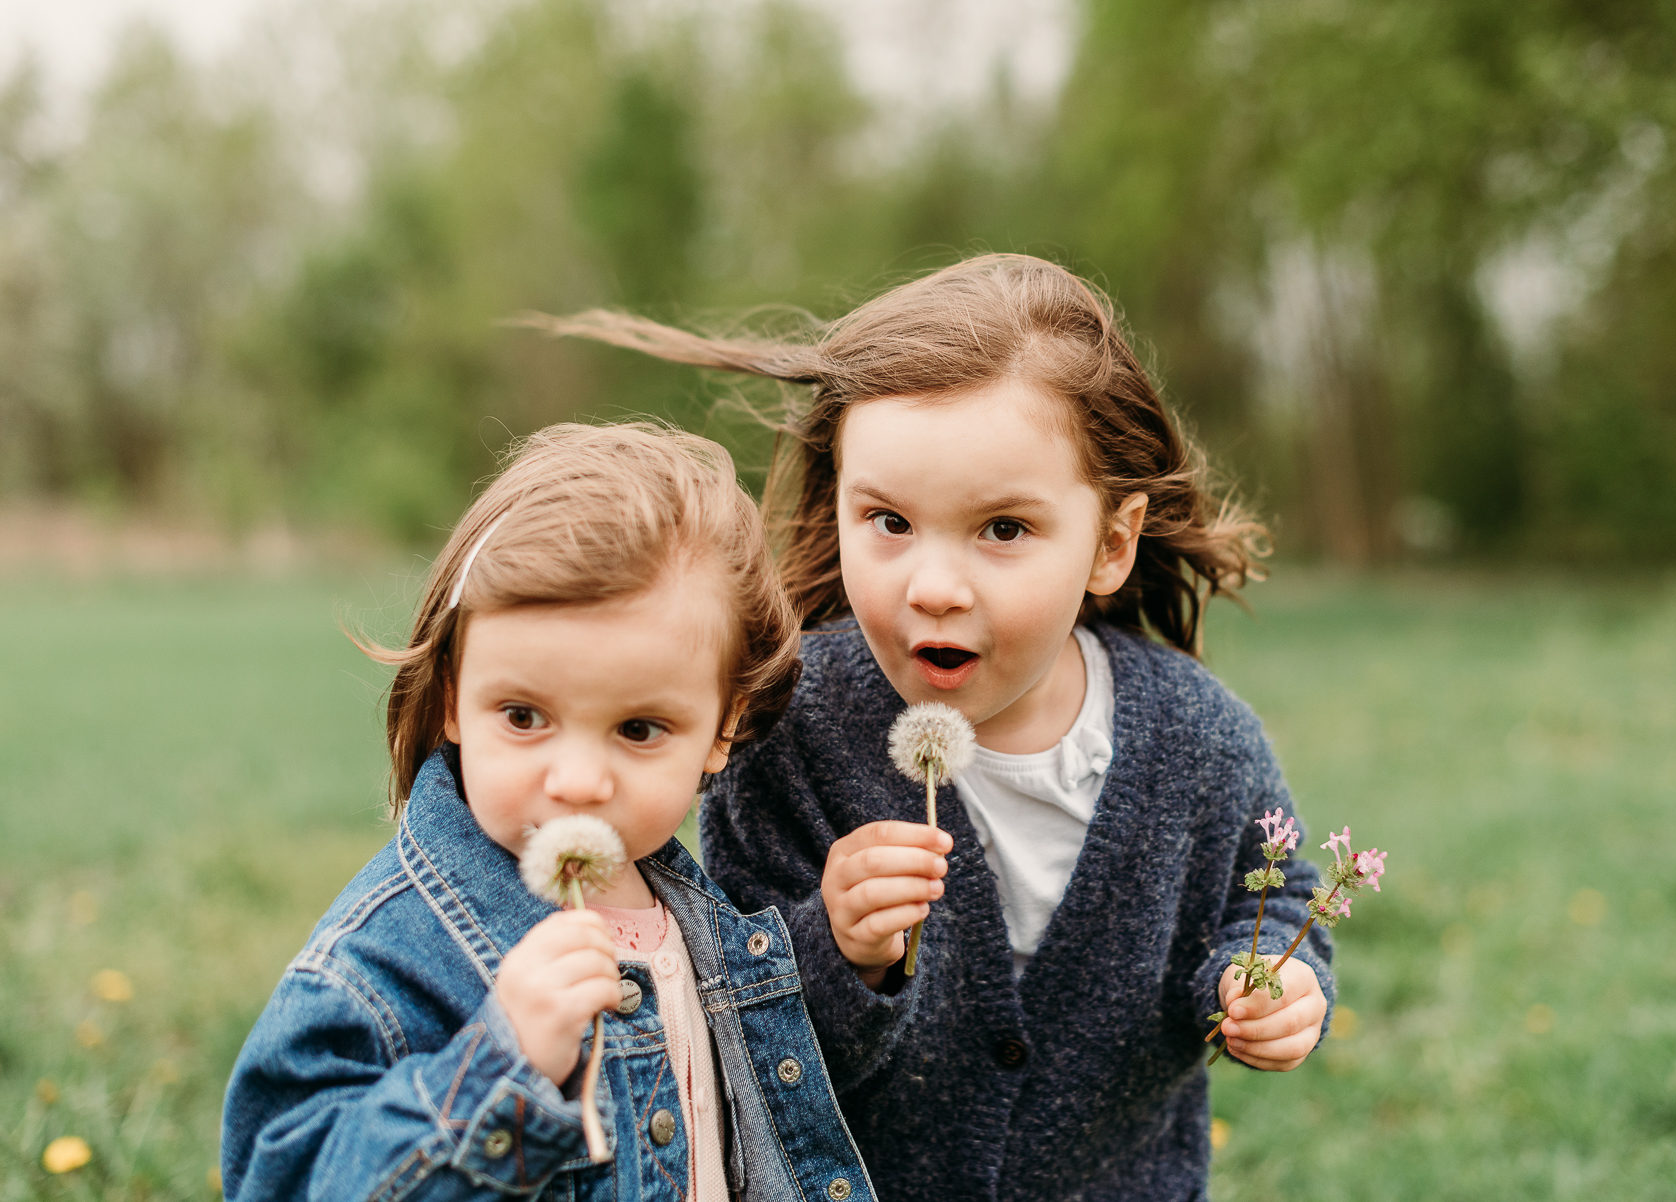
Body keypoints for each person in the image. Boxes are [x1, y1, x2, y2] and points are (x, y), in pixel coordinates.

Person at [539, 255, 1337, 1201]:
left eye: (1003, 530)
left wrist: (1271, 988)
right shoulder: (792, 733)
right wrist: (834, 945)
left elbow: (1274, 898)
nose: (934, 587)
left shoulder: (1200, 742)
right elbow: (731, 1026)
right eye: (888, 521)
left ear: (1112, 543)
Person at [221, 423, 876, 1202]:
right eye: (524, 717)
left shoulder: (699, 919)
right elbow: (282, 1179)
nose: (574, 781)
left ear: (721, 729)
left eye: (638, 730)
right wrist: (505, 1064)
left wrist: (848, 955)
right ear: (453, 695)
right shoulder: (388, 959)